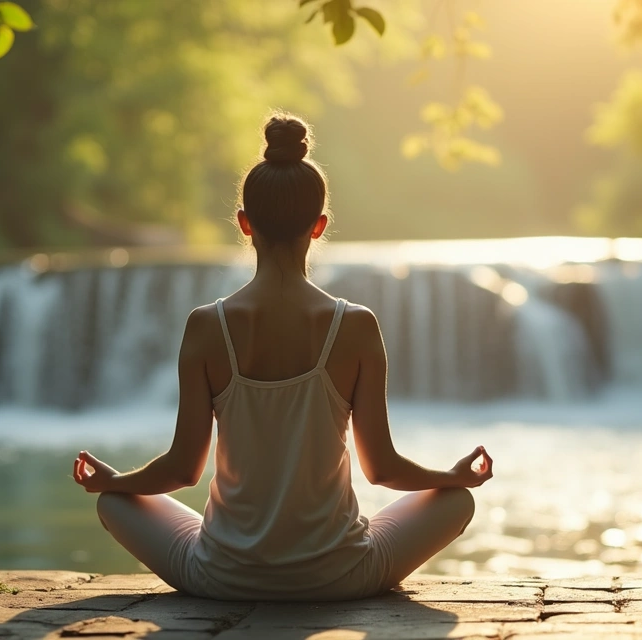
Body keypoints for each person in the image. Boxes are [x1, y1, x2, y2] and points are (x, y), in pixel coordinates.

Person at [71, 113, 493, 601]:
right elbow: (383, 469)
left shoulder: (208, 326)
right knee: (456, 502)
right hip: (342, 576)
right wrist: (452, 477)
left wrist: (115, 480)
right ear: (319, 227)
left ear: (244, 224)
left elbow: (183, 470)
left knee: (114, 505)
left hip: (221, 577)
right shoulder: (355, 326)